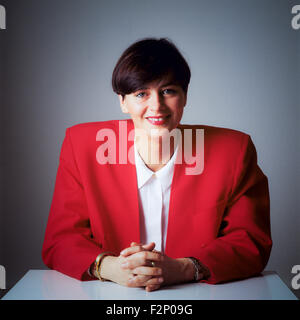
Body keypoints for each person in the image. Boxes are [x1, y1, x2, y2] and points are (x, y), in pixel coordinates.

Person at [42, 38, 272, 292]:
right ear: (122, 101)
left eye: (168, 91)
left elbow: (251, 241)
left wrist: (186, 268)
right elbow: (60, 240)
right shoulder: (82, 146)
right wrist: (110, 267)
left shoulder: (233, 151)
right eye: (141, 93)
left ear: (184, 96)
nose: (157, 106)